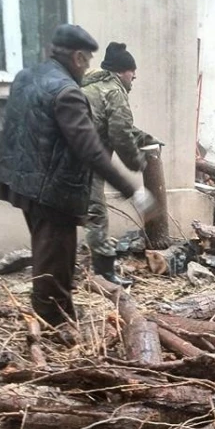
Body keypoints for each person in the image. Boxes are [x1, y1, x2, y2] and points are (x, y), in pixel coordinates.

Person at [0, 24, 155, 332]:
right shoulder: (67, 92)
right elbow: (92, 152)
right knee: (55, 261)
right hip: (51, 191)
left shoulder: (27, 77)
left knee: (49, 253)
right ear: (78, 57)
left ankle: (61, 314)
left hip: (20, 181)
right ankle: (55, 328)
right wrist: (134, 191)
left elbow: (19, 129)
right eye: (87, 60)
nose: (88, 67)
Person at [82, 42, 163, 285]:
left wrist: (147, 140)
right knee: (96, 212)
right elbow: (119, 133)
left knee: (66, 213)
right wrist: (139, 162)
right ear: (121, 72)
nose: (134, 76)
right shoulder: (114, 92)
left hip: (69, 155)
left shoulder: (96, 88)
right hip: (84, 159)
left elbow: (118, 128)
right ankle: (104, 274)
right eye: (132, 72)